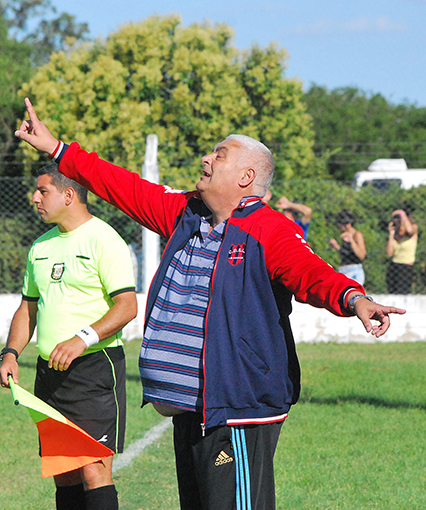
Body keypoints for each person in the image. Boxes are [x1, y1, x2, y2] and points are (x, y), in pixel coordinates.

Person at [14, 98, 405, 510]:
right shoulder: (185, 213)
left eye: (220, 155)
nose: (207, 158)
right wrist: (59, 150)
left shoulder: (269, 229)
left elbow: (311, 271)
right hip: (191, 411)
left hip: (235, 411)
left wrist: (353, 297)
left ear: (246, 176)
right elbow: (125, 187)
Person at [0, 163, 137, 510]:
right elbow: (27, 309)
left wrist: (83, 339)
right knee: (64, 471)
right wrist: (11, 353)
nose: (35, 198)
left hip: (93, 370)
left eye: (43, 191)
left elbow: (127, 307)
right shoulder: (40, 247)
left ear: (69, 194)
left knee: (93, 470)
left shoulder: (104, 239)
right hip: (48, 374)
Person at [329, 209, 367, 285]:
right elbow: (346, 254)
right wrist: (336, 246)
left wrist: (351, 241)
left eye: (341, 226)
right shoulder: (345, 235)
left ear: (348, 225)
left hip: (354, 270)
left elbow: (362, 254)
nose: (339, 228)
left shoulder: (356, 235)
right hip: (343, 269)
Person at [386, 208, 418, 294]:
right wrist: (391, 234)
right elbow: (389, 253)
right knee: (392, 293)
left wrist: (402, 213)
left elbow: (410, 230)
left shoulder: (412, 230)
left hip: (406, 267)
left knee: (403, 294)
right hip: (394, 266)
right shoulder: (395, 235)